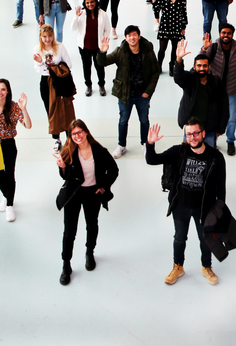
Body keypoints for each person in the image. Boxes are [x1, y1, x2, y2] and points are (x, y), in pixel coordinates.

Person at [145, 121, 226, 286]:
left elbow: (221, 185)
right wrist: (150, 144)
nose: (193, 137)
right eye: (189, 134)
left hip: (204, 208)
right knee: (179, 238)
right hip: (180, 206)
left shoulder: (215, 157)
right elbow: (152, 160)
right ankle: (178, 266)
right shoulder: (179, 151)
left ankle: (206, 267)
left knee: (205, 239)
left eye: (196, 133)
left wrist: (219, 208)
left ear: (203, 133)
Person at [55, 119, 119, 286]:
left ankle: (89, 252)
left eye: (79, 132)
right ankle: (66, 265)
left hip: (92, 193)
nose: (77, 136)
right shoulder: (68, 151)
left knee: (92, 224)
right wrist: (62, 167)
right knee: (69, 231)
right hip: (74, 194)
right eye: (73, 134)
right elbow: (65, 177)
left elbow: (113, 170)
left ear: (86, 132)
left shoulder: (98, 150)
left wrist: (104, 186)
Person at [97, 26, 160, 159]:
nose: (132, 38)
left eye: (134, 34)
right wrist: (102, 52)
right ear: (126, 38)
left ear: (139, 36)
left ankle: (145, 144)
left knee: (144, 120)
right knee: (123, 120)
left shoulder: (148, 51)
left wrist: (148, 92)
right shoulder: (121, 51)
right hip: (125, 94)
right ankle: (121, 145)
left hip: (142, 94)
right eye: (129, 35)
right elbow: (103, 62)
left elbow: (155, 71)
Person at [0, 79, 32, 222]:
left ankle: (9, 205)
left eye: (3, 89)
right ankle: (6, 195)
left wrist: (24, 108)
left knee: (9, 175)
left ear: (8, 91)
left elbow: (28, 125)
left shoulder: (13, 107)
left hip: (8, 145)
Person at [201, 23, 236, 156]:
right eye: (223, 33)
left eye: (229, 33)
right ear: (219, 34)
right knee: (212, 116)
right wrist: (203, 49)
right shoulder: (213, 47)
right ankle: (212, 141)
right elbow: (201, 62)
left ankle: (230, 141)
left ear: (232, 35)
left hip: (230, 91)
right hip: (214, 90)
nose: (226, 35)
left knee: (231, 118)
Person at [174, 42, 229, 148]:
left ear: (209, 67)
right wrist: (179, 59)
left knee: (208, 158)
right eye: (199, 65)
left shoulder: (216, 81)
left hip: (209, 129)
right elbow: (178, 77)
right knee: (188, 156)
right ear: (194, 66)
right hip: (191, 129)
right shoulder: (189, 79)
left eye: (204, 66)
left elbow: (224, 105)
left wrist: (221, 128)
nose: (202, 68)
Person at [33, 24, 75, 152]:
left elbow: (68, 64)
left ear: (53, 36)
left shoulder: (60, 47)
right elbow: (38, 68)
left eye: (50, 36)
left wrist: (52, 68)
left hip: (60, 81)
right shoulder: (37, 49)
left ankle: (70, 137)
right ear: (41, 36)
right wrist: (42, 62)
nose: (47, 39)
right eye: (44, 36)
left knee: (66, 108)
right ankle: (56, 138)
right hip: (46, 82)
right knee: (51, 110)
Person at [71, 0, 111, 97]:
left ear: (96, 2)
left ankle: (101, 85)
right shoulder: (81, 14)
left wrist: (104, 41)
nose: (90, 4)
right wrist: (76, 16)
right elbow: (73, 28)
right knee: (86, 67)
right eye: (87, 2)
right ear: (84, 3)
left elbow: (107, 29)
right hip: (85, 47)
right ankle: (88, 85)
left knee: (100, 67)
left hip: (98, 47)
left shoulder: (103, 14)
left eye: (92, 2)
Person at [151, 0, 188, 75]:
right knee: (162, 49)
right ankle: (158, 66)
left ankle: (172, 67)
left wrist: (183, 27)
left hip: (176, 26)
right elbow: (156, 10)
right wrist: (154, 0)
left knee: (174, 49)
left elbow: (184, 13)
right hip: (165, 26)